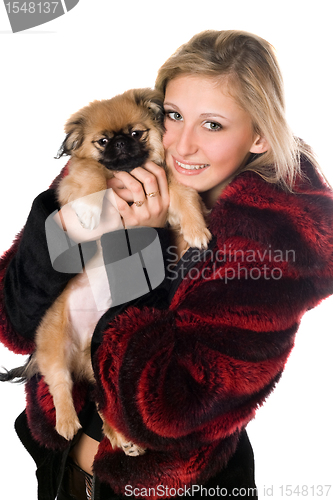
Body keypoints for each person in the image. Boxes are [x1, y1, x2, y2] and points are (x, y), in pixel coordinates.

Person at [1, 30, 333, 500]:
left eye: (213, 125)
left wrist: (138, 244)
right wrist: (66, 231)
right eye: (173, 115)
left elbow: (166, 409)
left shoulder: (274, 248)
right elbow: (14, 324)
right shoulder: (130, 164)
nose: (181, 145)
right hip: (65, 474)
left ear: (259, 136)